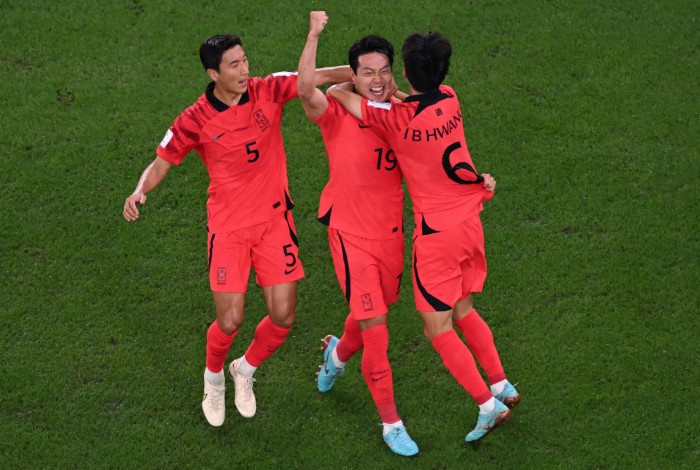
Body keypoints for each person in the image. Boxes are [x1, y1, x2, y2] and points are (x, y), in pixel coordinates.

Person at [123, 34, 350, 427]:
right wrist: (140, 190)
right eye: (234, 64)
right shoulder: (194, 119)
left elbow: (316, 76)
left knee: (283, 316)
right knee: (229, 321)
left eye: (245, 60)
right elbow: (162, 160)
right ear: (213, 74)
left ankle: (244, 369)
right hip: (228, 229)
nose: (245, 69)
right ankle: (213, 377)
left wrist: (366, 72)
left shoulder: (268, 89)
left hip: (275, 222)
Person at [328, 31, 520, 443]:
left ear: (403, 71)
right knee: (463, 308)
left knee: (437, 328)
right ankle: (501, 383)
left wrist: (363, 81)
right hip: (471, 225)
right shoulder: (450, 97)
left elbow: (339, 95)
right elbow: (414, 103)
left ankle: (488, 407)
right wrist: (394, 91)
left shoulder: (395, 119)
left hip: (437, 237)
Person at [297, 12, 417, 456]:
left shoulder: (402, 114)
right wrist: (315, 37)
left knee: (376, 310)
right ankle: (392, 424)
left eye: (384, 70)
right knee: (377, 331)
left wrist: (387, 90)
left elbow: (425, 119)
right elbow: (305, 87)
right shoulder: (334, 113)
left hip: (390, 235)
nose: (378, 80)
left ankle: (335, 356)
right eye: (367, 72)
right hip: (350, 236)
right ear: (353, 75)